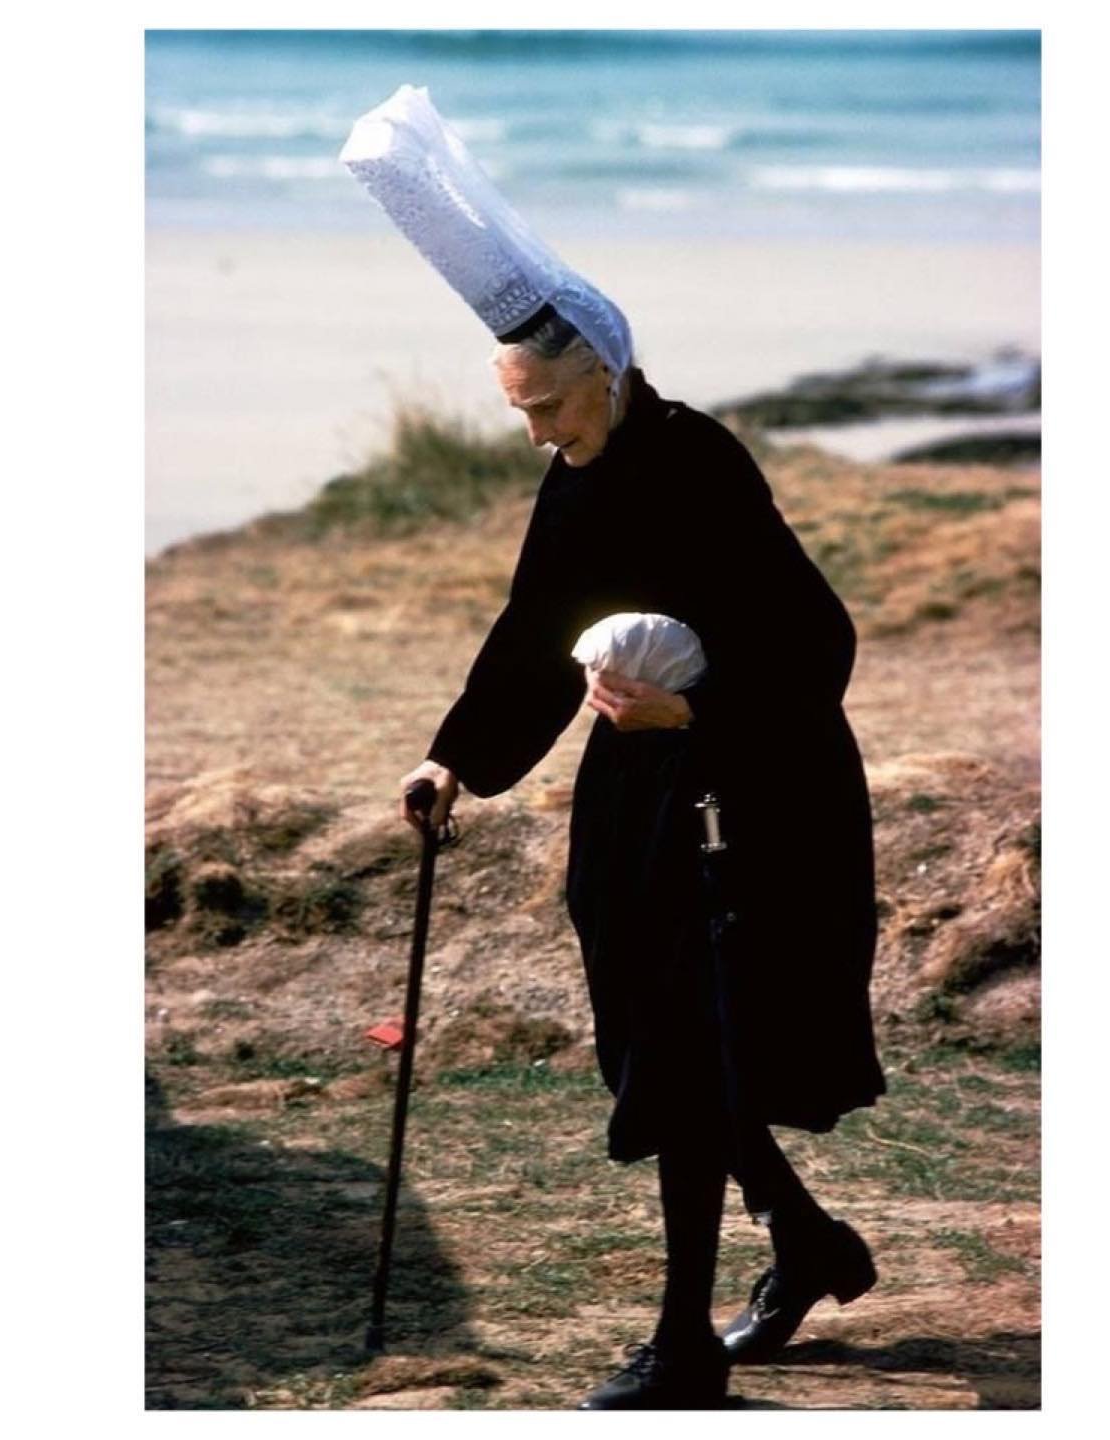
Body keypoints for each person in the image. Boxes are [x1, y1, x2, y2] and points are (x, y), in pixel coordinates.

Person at [344, 84, 884, 1411]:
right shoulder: (578, 472)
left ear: (608, 374)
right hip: (641, 794)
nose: (534, 433)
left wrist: (695, 715)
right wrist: (453, 759)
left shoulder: (701, 467)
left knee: (696, 1049)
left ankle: (685, 1350)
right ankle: (805, 1243)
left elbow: (820, 645)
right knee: (662, 1041)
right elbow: (537, 631)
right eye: (523, 413)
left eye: (549, 408)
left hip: (752, 790)